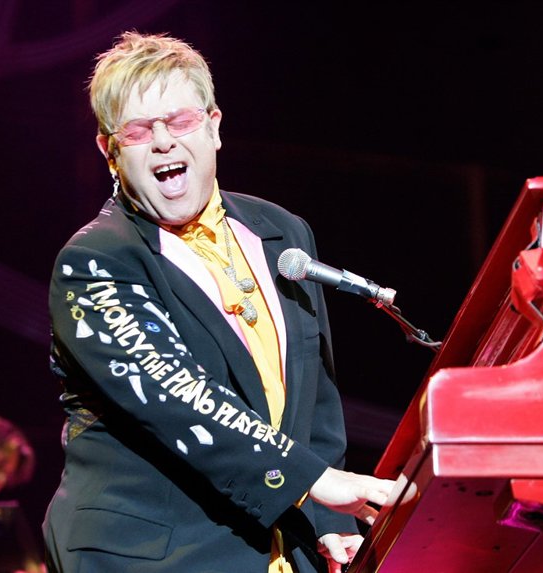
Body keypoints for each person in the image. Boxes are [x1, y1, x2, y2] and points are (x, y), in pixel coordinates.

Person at [42, 31, 403, 573]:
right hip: (151, 557)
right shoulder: (96, 261)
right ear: (109, 151)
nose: (163, 142)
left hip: (278, 549)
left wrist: (330, 521)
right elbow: (176, 394)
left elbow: (315, 403)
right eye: (138, 131)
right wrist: (312, 481)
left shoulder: (280, 232)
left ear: (213, 126)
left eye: (180, 121)